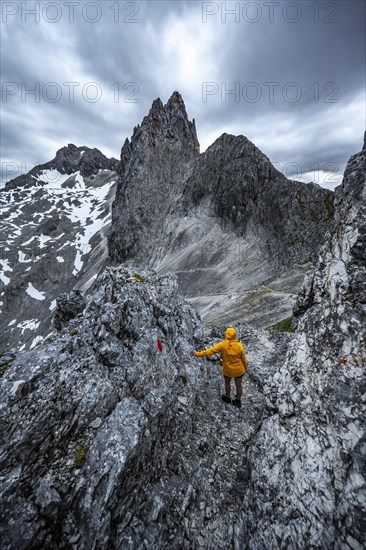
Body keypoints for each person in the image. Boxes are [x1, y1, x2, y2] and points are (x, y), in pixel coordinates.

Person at [191, 327, 248, 408]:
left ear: (226, 335)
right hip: (239, 370)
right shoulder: (239, 346)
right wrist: (245, 368)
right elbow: (244, 360)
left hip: (227, 370)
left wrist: (197, 354)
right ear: (235, 335)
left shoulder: (222, 345)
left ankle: (227, 397)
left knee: (227, 383)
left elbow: (209, 351)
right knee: (239, 385)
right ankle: (238, 401)